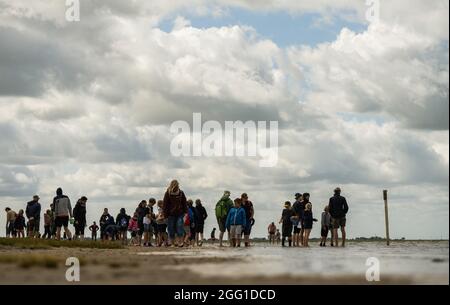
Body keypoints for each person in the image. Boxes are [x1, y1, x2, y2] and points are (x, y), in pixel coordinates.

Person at [163, 180, 188, 247]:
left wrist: (186, 213)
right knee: (171, 228)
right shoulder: (168, 193)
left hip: (180, 213)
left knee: (179, 226)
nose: (176, 187)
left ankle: (180, 242)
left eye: (177, 185)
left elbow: (184, 203)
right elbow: (165, 205)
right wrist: (165, 216)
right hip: (170, 214)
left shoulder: (181, 193)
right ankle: (172, 242)